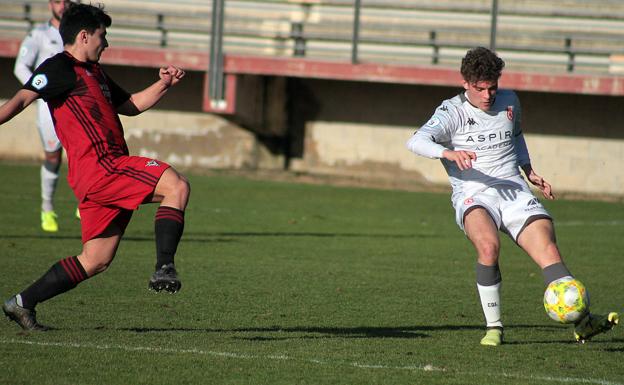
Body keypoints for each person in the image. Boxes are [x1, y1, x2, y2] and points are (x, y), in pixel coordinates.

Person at [406, 46, 618, 346]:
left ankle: (582, 323)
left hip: (514, 191)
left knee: (547, 248)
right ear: (465, 83)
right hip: (474, 193)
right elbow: (416, 140)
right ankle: (494, 327)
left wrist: (529, 170)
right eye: (480, 89)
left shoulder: (510, 101)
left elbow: (516, 135)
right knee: (488, 247)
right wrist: (448, 153)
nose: (488, 95)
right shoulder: (451, 111)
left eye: (492, 87)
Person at [1, 3, 189, 331]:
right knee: (176, 185)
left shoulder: (96, 72)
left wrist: (164, 85)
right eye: (103, 35)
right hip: (104, 168)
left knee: (96, 260)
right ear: (84, 36)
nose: (107, 42)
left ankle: (22, 303)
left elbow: (130, 105)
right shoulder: (58, 68)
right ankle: (164, 267)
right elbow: (20, 100)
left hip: (98, 178)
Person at [14, 0, 74, 232]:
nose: (63, 6)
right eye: (58, 1)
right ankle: (47, 208)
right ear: (50, 4)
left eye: (67, 1)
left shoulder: (79, 32)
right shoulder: (39, 34)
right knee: (53, 157)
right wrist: (38, 91)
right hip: (49, 106)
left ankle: (85, 202)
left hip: (75, 103)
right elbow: (20, 67)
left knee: (83, 152)